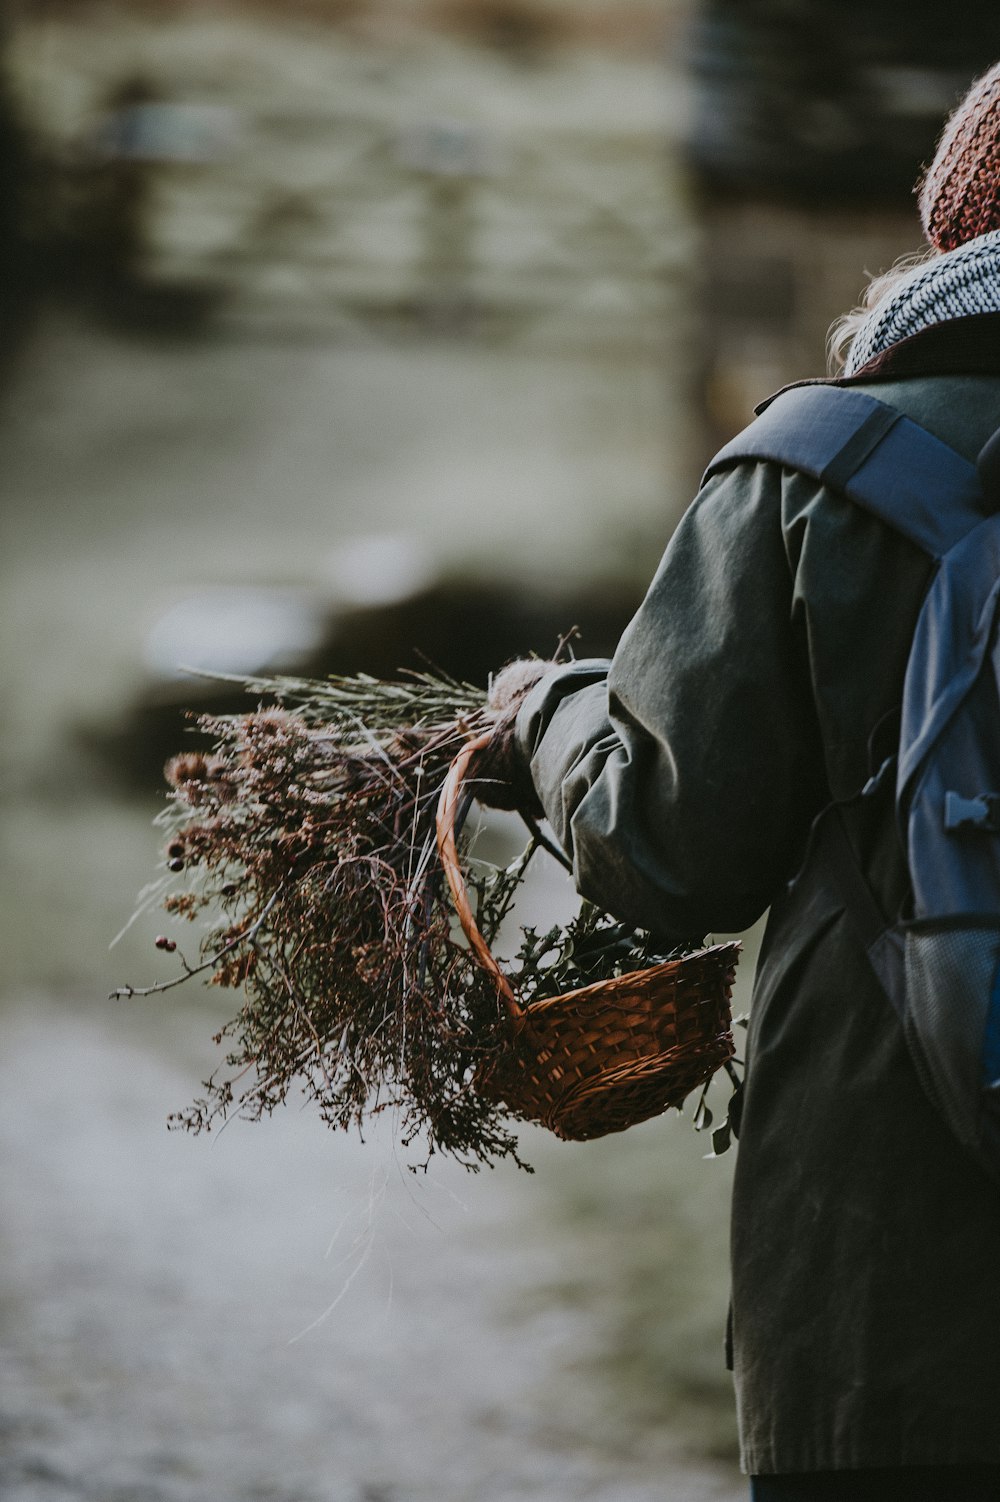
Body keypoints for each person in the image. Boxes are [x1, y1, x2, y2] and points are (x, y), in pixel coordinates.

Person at [476, 63, 1000, 1502]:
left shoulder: (820, 472)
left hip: (890, 1252)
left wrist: (548, 718)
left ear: (955, 226)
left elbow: (671, 836)